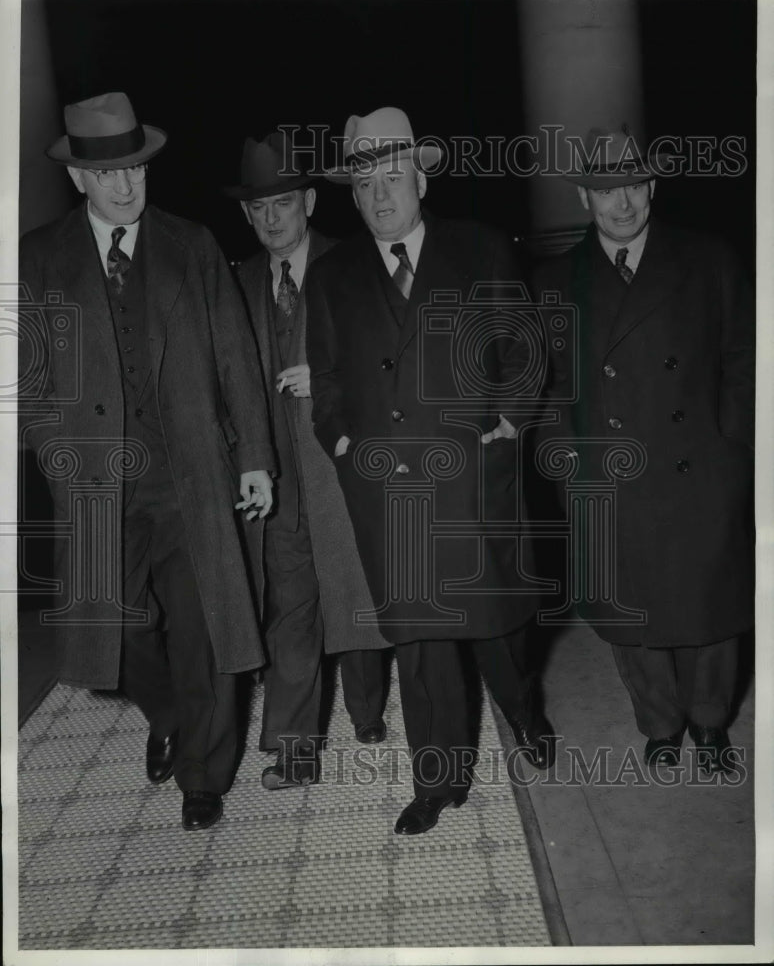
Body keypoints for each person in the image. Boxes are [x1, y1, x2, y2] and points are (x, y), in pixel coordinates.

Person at [19, 92, 275, 831]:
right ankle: (165, 714)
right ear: (79, 181)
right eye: (108, 175)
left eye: (135, 168)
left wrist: (254, 454)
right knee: (118, 632)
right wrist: (56, 456)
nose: (126, 186)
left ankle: (203, 774)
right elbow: (28, 382)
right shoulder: (39, 258)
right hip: (97, 486)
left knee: (202, 629)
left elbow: (236, 360)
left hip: (191, 476)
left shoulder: (192, 246)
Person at [306, 107, 556, 836]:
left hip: (473, 481)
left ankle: (526, 713)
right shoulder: (332, 276)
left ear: (420, 176)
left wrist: (508, 424)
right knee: (420, 646)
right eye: (365, 183)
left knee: (499, 631)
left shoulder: (479, 249)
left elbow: (524, 353)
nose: (381, 195)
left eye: (393, 177)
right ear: (352, 195)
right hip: (389, 493)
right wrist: (343, 446)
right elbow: (325, 382)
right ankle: (436, 782)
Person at [532, 122, 754, 774]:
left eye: (632, 185)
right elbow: (543, 389)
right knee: (631, 615)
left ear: (653, 186)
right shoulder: (554, 280)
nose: (621, 202)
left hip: (700, 466)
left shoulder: (709, 259)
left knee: (710, 610)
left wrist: (733, 443)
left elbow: (747, 354)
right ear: (583, 199)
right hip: (610, 477)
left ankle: (711, 725)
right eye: (605, 190)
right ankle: (659, 725)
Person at [226, 131, 390, 789]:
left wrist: (330, 378)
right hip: (271, 479)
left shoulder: (353, 266)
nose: (272, 219)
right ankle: (296, 747)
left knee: (357, 594)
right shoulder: (231, 284)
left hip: (339, 467)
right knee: (290, 610)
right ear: (245, 214)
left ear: (310, 202)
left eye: (285, 204)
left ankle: (369, 708)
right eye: (259, 208)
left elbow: (385, 364)